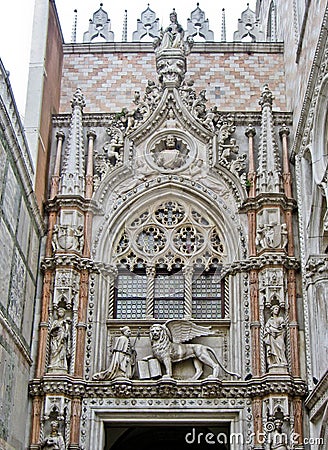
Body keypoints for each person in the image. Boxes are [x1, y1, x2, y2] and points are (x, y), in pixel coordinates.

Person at [48, 308, 71, 373]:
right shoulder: (55, 322)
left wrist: (65, 335)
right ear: (57, 313)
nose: (60, 313)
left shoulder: (65, 322)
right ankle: (53, 364)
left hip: (62, 340)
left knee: (61, 353)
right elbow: (51, 331)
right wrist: (57, 328)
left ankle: (61, 365)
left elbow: (67, 331)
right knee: (54, 350)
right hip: (55, 339)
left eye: (62, 312)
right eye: (59, 312)